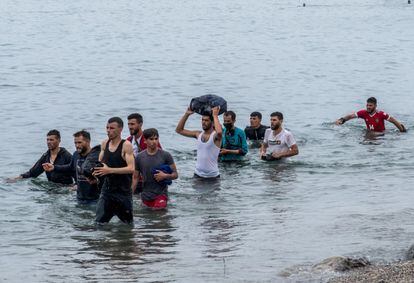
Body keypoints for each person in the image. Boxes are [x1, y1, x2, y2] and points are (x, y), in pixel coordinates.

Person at [93, 117, 135, 224]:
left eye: (112, 128)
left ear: (120, 129)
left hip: (123, 193)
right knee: (99, 223)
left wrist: (109, 170)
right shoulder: (104, 144)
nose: (108, 130)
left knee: (128, 226)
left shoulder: (126, 145)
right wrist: (95, 173)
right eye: (107, 128)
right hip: (107, 192)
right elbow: (100, 165)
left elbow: (131, 168)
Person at [43, 130, 101, 203]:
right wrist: (54, 167)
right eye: (75, 143)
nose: (77, 145)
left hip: (94, 199)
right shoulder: (76, 155)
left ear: (88, 142)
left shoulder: (96, 156)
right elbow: (70, 167)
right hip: (79, 198)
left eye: (79, 142)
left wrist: (97, 180)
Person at [133, 128, 178, 210]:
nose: (154, 141)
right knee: (147, 219)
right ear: (145, 141)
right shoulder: (139, 157)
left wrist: (165, 176)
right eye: (151, 139)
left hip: (161, 195)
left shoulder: (165, 155)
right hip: (145, 195)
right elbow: (135, 178)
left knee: (159, 215)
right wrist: (129, 194)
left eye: (156, 139)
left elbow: (175, 175)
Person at [8, 130, 73, 184]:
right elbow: (32, 173)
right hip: (51, 188)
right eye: (47, 140)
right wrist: (18, 178)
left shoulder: (67, 156)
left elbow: (77, 173)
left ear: (59, 140)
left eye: (51, 140)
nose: (49, 142)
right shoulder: (45, 156)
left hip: (65, 189)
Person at [176, 106, 222, 179]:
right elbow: (179, 130)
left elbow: (219, 132)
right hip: (197, 175)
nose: (203, 122)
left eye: (206, 120)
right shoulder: (198, 134)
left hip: (213, 177)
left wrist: (215, 115)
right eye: (202, 120)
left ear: (212, 122)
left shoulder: (215, 136)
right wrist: (186, 114)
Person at [126, 113, 162, 194]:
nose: (130, 127)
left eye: (132, 124)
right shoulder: (128, 140)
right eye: (128, 124)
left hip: (149, 180)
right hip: (135, 178)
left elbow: (160, 158)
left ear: (140, 124)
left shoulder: (150, 140)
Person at [335, 97, 406, 133]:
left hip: (381, 135)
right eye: (367, 105)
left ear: (375, 106)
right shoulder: (363, 113)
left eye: (370, 105)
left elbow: (393, 121)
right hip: (369, 132)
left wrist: (401, 130)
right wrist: (342, 120)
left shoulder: (381, 114)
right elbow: (350, 116)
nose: (368, 107)